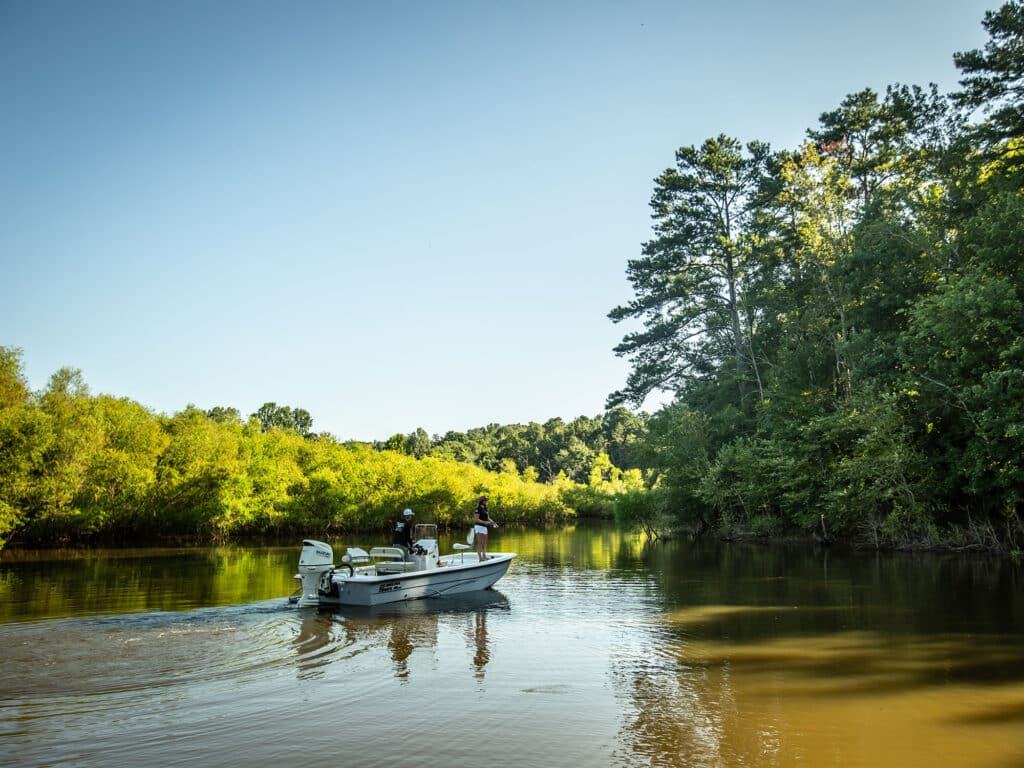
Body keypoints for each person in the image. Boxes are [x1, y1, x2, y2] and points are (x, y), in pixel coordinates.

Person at [473, 496, 498, 560]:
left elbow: (488, 518)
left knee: (485, 542)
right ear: (482, 501)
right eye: (485, 500)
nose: (486, 501)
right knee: (479, 542)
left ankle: (484, 556)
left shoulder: (485, 509)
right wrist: (485, 522)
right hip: (479, 527)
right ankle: (480, 558)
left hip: (484, 527)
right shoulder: (478, 509)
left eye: (486, 500)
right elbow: (476, 519)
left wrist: (493, 523)